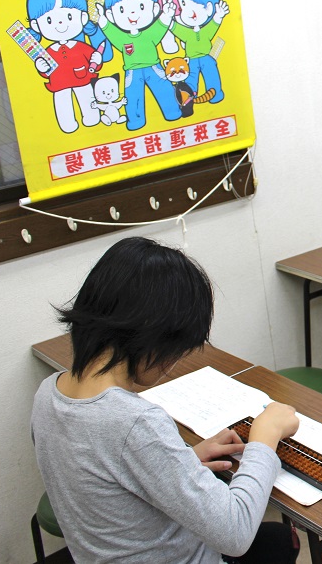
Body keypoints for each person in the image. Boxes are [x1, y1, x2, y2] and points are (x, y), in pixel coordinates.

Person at [31, 237, 302, 563]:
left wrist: (181, 460)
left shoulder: (48, 394)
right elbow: (236, 533)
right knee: (281, 540)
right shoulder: (135, 423)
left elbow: (107, 479)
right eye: (178, 350)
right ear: (153, 333)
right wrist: (264, 439)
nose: (173, 364)